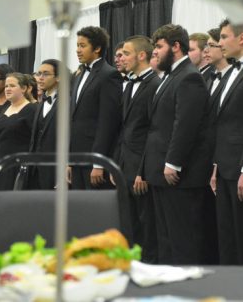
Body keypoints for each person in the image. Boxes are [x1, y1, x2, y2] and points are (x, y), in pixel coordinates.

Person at [139, 24, 214, 264]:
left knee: (183, 239)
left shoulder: (189, 77)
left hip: (179, 175)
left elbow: (186, 125)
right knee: (166, 237)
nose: (156, 52)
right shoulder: (171, 76)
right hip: (161, 171)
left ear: (176, 47)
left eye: (159, 47)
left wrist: (173, 162)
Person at [213, 20, 243, 265]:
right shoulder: (231, 72)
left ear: (242, 38)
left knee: (242, 236)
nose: (220, 42)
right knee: (226, 236)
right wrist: (215, 166)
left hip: (241, 167)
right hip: (223, 166)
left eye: (224, 37)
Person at [117, 36, 160, 263]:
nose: (121, 57)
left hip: (142, 167)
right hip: (125, 164)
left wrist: (142, 170)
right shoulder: (129, 84)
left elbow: (152, 131)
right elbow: (124, 129)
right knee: (129, 222)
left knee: (146, 225)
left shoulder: (154, 84)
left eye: (126, 52)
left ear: (141, 55)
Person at [70, 26, 122, 189]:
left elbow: (107, 122)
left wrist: (98, 163)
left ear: (97, 48)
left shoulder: (109, 75)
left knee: (96, 211)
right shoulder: (78, 75)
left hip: (94, 160)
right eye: (77, 45)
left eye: (82, 45)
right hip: (77, 158)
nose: (78, 50)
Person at [0, 73, 37, 189]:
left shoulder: (32, 109)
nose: (8, 89)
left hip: (20, 164)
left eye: (12, 86)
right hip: (2, 162)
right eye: (6, 86)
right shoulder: (5, 108)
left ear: (23, 88)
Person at [28, 59, 61, 189]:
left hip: (56, 168)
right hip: (35, 168)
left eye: (46, 74)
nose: (40, 78)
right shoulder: (41, 103)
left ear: (58, 77)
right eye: (38, 73)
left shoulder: (69, 101)